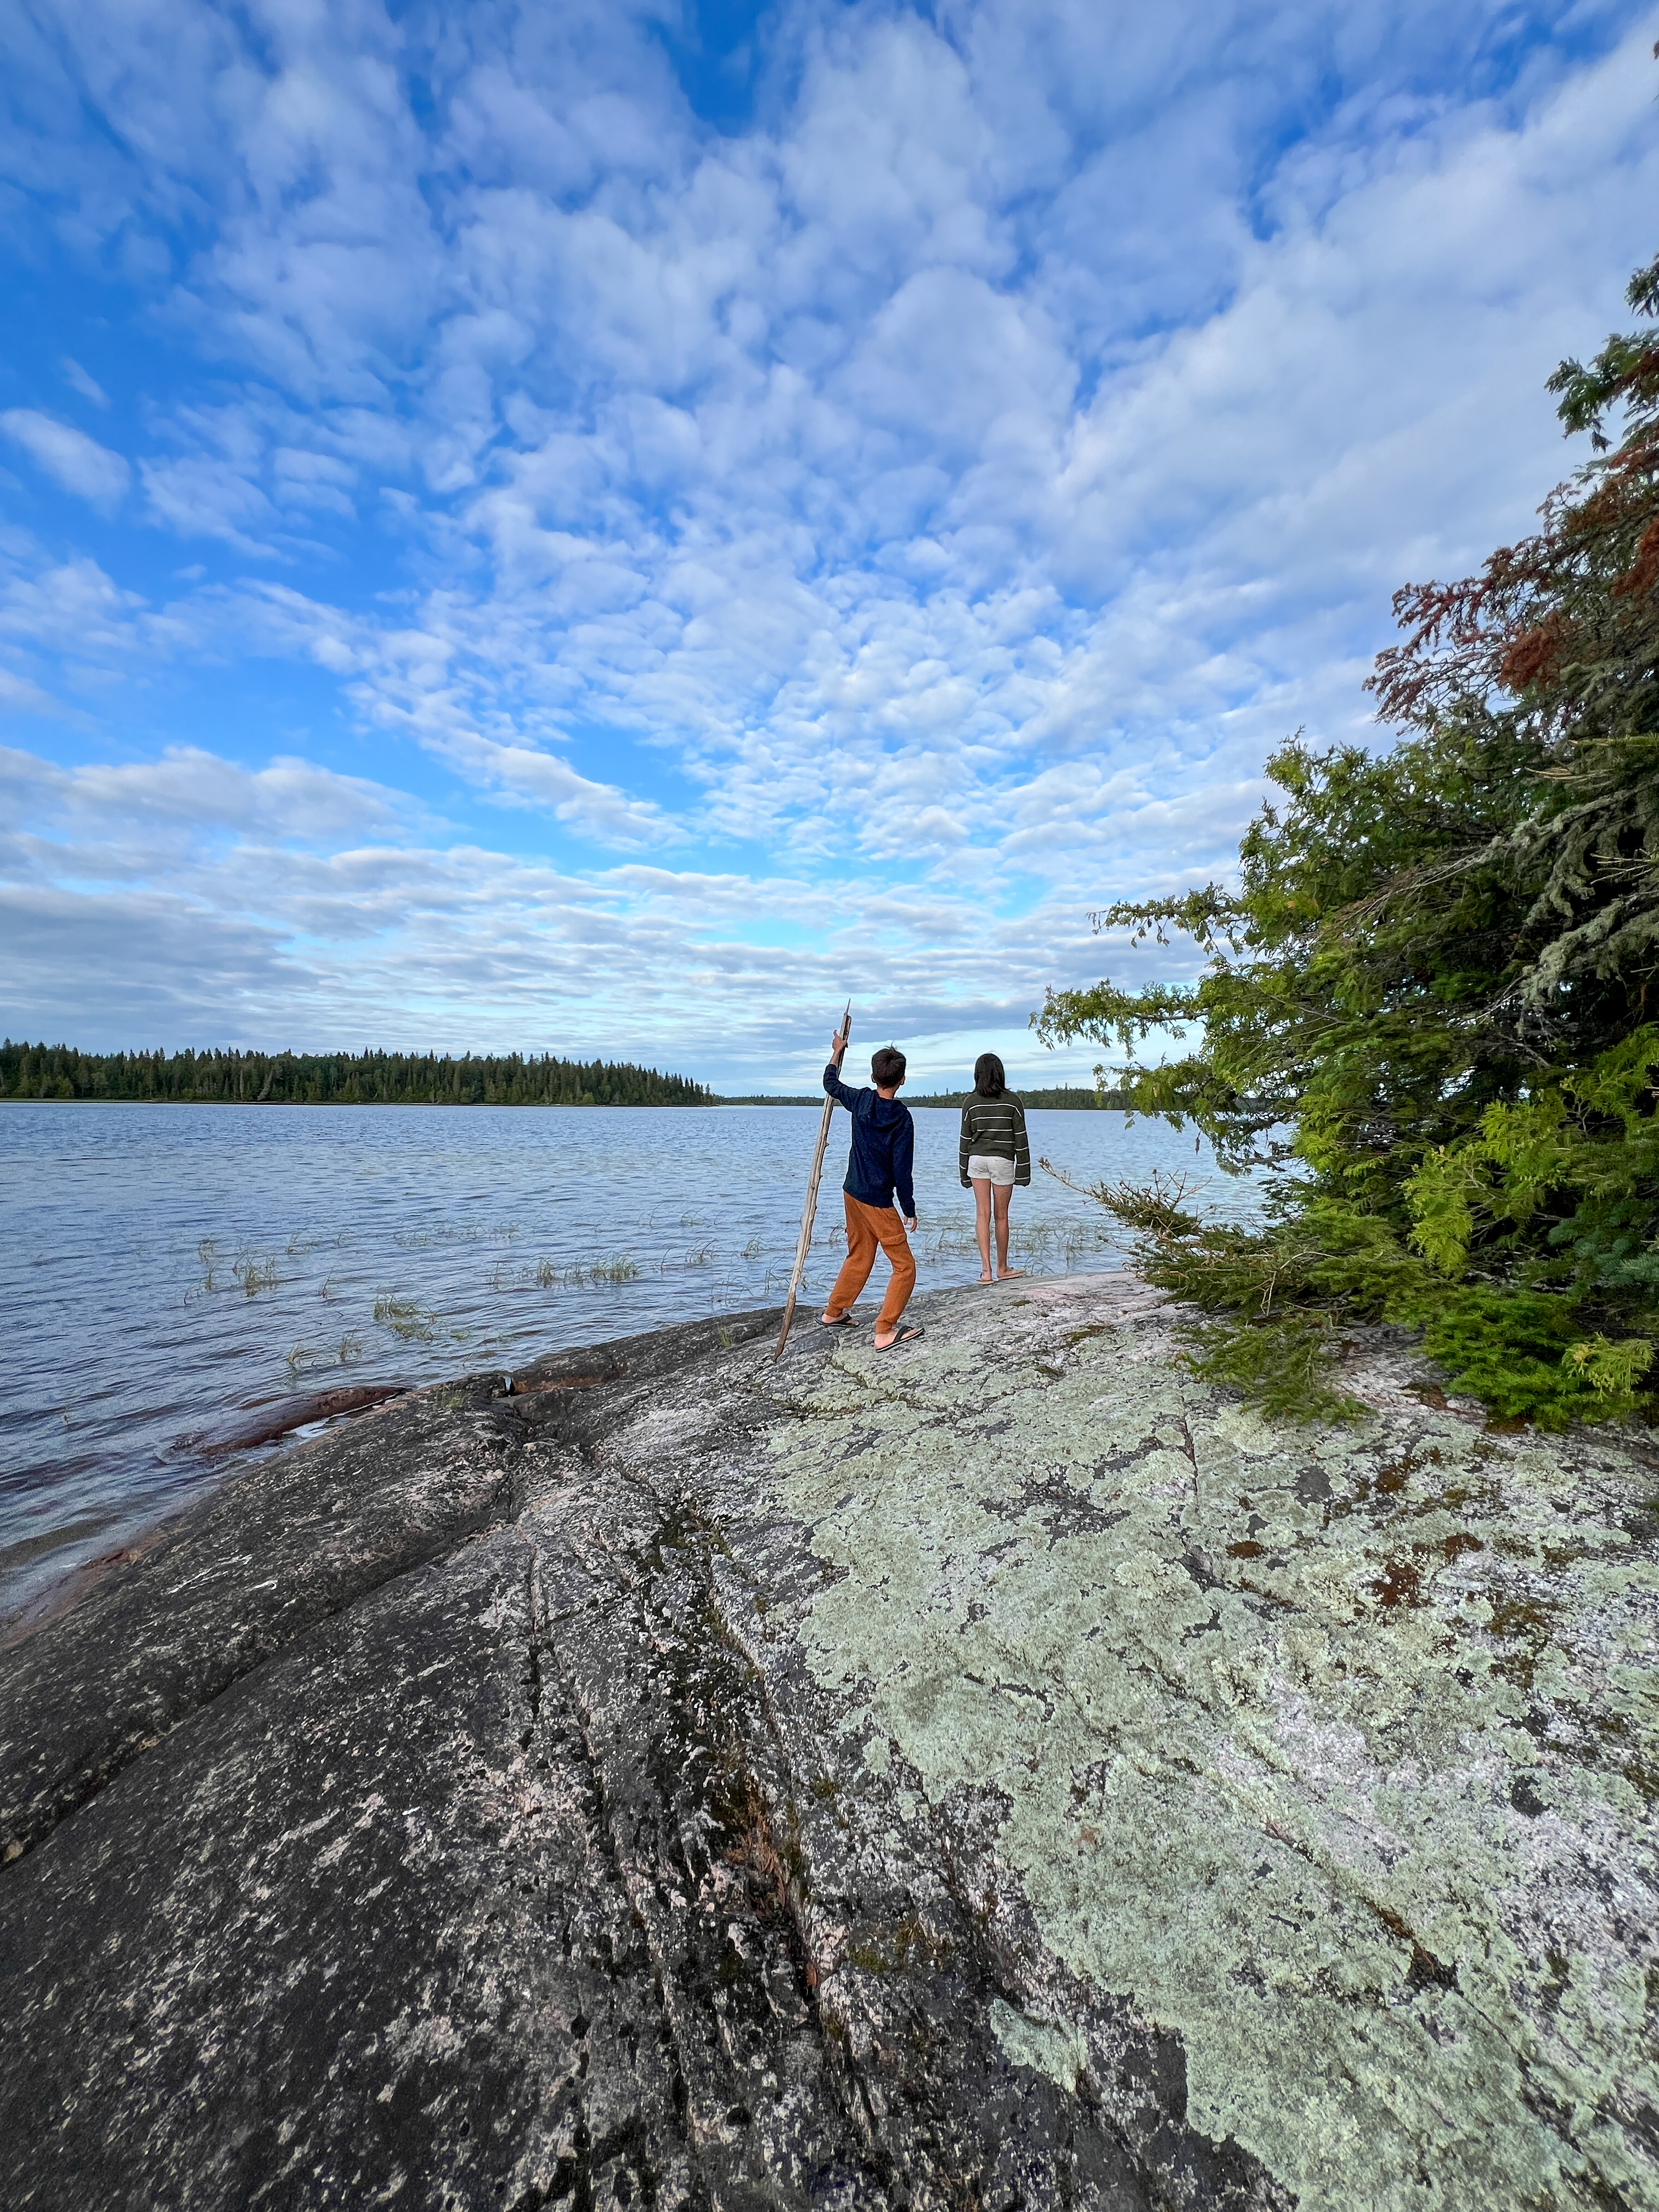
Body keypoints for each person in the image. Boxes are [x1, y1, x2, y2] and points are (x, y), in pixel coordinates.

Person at [819, 1035, 922, 1350]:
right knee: (905, 1267)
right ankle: (885, 1330)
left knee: (860, 1254)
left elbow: (830, 1082)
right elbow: (901, 1171)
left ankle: (834, 1312)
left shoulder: (862, 1100)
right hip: (877, 1200)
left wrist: (837, 1051)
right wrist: (909, 1208)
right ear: (902, 1080)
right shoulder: (902, 1119)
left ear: (873, 1076)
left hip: (852, 1192)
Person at [959, 1052, 1030, 1283]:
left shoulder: (971, 1102)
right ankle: (1002, 1268)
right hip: (1002, 1161)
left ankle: (986, 1271)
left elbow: (965, 1141)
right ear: (1000, 1074)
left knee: (982, 1214)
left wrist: (964, 1174)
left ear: (977, 1075)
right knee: (1001, 1216)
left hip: (977, 1160)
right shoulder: (1013, 1101)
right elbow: (1021, 1139)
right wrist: (1024, 1173)